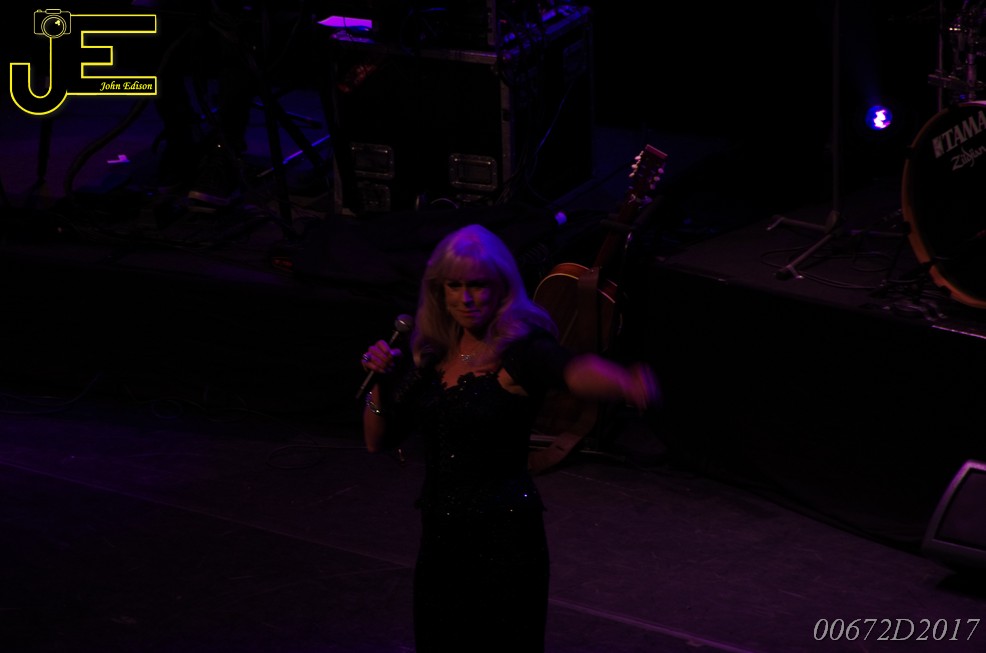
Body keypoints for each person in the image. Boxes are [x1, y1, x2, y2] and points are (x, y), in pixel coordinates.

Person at [357, 223, 661, 652]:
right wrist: (379, 383)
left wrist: (624, 382)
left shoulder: (520, 351)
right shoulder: (434, 357)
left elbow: (572, 370)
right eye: (455, 286)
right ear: (439, 292)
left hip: (503, 539)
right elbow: (377, 441)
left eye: (478, 285)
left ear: (501, 288)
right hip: (441, 538)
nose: (466, 298)